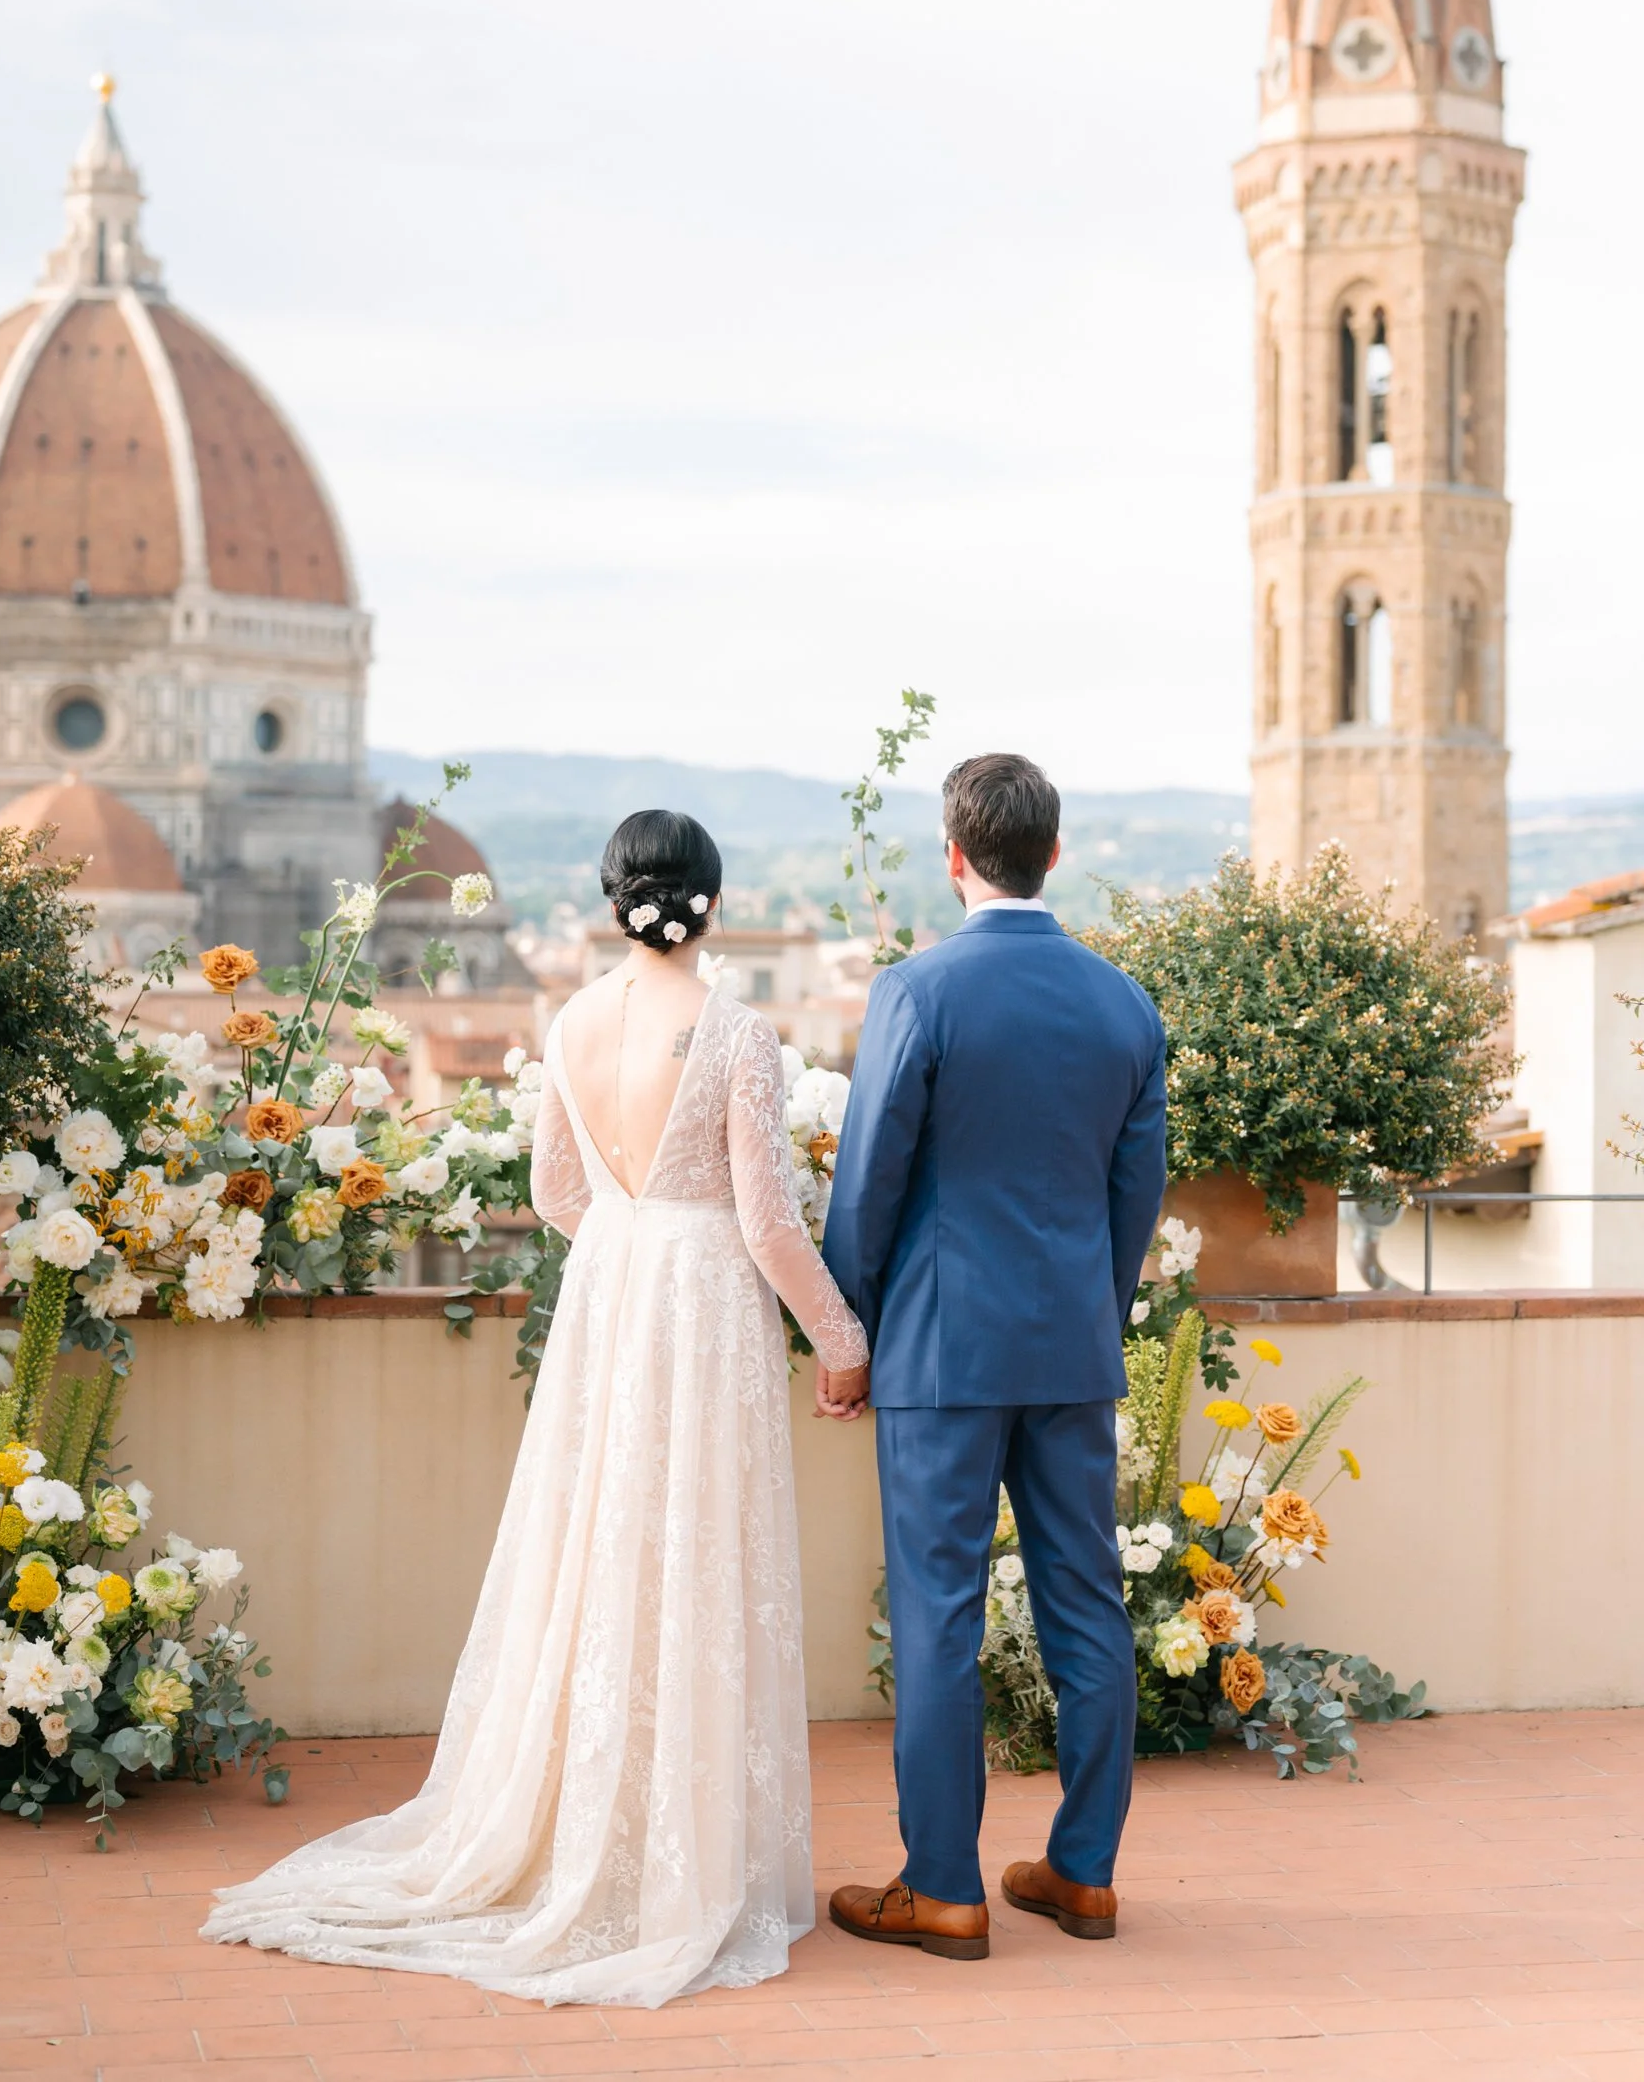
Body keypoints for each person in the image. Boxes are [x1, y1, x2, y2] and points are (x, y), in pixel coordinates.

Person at [203, 810, 870, 2007]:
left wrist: (629, 1243)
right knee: (691, 1557)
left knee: (597, 1547)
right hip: (702, 1306)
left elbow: (554, 1191)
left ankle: (586, 1832)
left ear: (615, 903)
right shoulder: (735, 1033)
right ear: (711, 904)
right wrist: (841, 1339)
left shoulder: (566, 1023)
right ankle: (677, 1853)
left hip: (611, 1297)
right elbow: (770, 1223)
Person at [820, 752, 1166, 1962]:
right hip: (1070, 1344)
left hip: (938, 1349)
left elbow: (866, 1187)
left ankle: (943, 1886)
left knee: (938, 1614)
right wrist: (1090, 1311)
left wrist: (847, 1330)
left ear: (954, 855)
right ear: (1053, 855)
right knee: (1086, 1599)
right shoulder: (1127, 1005)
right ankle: (1082, 1873)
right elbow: (1136, 1199)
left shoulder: (917, 992)